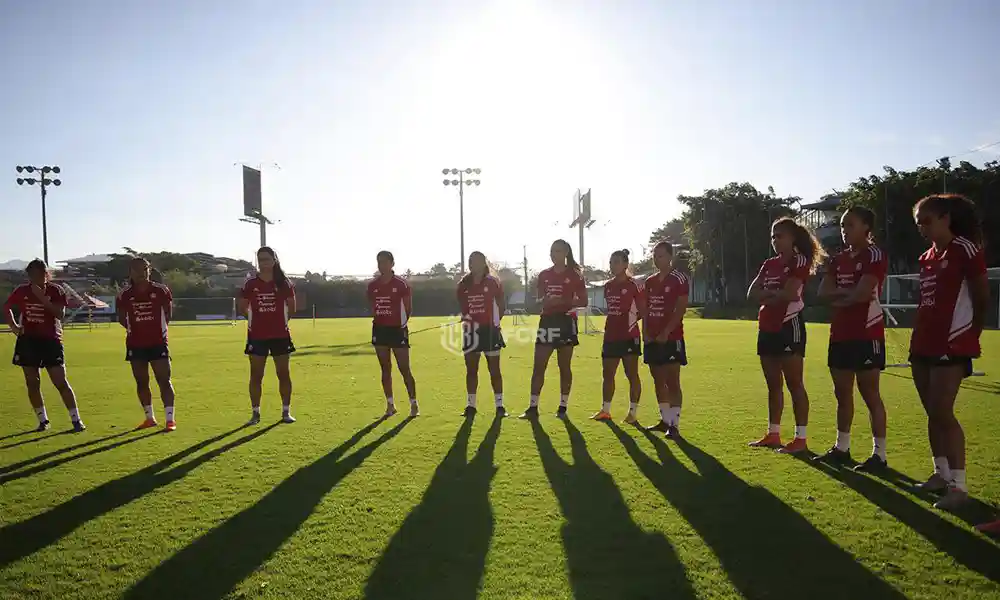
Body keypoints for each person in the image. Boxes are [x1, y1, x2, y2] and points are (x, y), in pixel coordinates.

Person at [908, 194, 989, 510]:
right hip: (923, 342)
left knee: (943, 411)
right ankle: (939, 474)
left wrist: (972, 333)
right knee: (932, 412)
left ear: (945, 218)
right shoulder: (926, 257)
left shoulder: (965, 250)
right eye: (918, 224)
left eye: (927, 221)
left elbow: (982, 297)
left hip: (951, 342)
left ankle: (959, 486)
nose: (922, 228)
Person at [815, 206, 889, 471]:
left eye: (851, 225)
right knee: (842, 395)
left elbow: (863, 293)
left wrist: (845, 295)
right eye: (843, 226)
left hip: (867, 333)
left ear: (866, 227)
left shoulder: (874, 254)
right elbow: (823, 292)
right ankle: (842, 448)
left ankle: (879, 455)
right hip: (840, 334)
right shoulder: (837, 259)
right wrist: (850, 295)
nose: (845, 230)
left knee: (870, 394)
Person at [747, 217, 825, 454]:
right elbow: (751, 294)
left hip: (789, 325)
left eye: (779, 236)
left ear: (792, 238)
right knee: (773, 385)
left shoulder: (799, 260)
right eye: (772, 236)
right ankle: (773, 433)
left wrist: (768, 295)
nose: (775, 241)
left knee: (794, 383)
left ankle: (800, 438)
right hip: (767, 327)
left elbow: (791, 293)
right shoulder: (769, 264)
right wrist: (775, 293)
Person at [2, 259, 85, 432]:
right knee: (32, 382)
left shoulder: (56, 290)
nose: (37, 278)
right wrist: (14, 327)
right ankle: (43, 420)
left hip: (50, 341)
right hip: (28, 341)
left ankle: (76, 420)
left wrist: (42, 298)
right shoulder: (22, 291)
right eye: (32, 275)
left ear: (47, 274)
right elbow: (7, 307)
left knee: (60, 382)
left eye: (41, 274)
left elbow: (59, 315)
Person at [520, 239, 588, 419]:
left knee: (564, 367)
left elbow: (583, 301)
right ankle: (533, 407)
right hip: (548, 321)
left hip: (566, 322)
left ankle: (562, 407)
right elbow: (538, 300)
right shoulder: (544, 275)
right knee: (538, 366)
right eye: (551, 251)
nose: (553, 254)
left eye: (557, 251)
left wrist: (563, 302)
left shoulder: (575, 275)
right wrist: (543, 301)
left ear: (565, 253)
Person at [117, 257, 177, 431]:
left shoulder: (161, 290)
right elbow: (122, 318)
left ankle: (170, 420)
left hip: (158, 342)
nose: (141, 273)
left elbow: (168, 314)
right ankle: (149, 418)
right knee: (141, 382)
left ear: (149, 270)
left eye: (144, 269)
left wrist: (155, 329)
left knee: (164, 380)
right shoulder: (125, 295)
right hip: (136, 344)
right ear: (130, 272)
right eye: (136, 270)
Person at [239, 246, 297, 425]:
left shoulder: (284, 283)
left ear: (274, 260)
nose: (264, 263)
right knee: (256, 375)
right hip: (257, 336)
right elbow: (242, 308)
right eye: (261, 259)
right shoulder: (250, 284)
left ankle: (286, 412)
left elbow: (292, 308)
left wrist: (277, 322)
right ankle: (255, 413)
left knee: (283, 374)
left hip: (280, 335)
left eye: (267, 259)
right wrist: (257, 323)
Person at [640, 242, 690, 438]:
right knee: (657, 380)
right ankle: (664, 420)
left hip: (671, 338)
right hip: (652, 338)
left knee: (672, 381)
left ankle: (674, 425)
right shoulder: (650, 281)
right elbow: (645, 310)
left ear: (670, 256)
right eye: (654, 255)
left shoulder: (679, 279)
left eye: (660, 255)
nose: (656, 259)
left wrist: (666, 332)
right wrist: (645, 332)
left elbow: (681, 309)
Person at [591, 249, 645, 425]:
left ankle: (633, 413)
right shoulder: (608, 286)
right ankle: (605, 411)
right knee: (608, 374)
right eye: (611, 262)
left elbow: (642, 311)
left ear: (625, 264)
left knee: (631, 374)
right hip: (611, 336)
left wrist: (628, 321)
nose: (612, 265)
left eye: (616, 262)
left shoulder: (634, 285)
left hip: (629, 336)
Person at [367, 250, 419, 418]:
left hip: (398, 330)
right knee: (385, 368)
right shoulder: (372, 286)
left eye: (384, 262)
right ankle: (390, 405)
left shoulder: (401, 284)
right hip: (380, 330)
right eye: (379, 262)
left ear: (392, 263)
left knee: (404, 368)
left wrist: (401, 325)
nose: (382, 265)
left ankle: (413, 404)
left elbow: (408, 308)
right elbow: (373, 307)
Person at [457, 251, 507, 418]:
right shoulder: (463, 284)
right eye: (470, 261)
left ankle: (500, 405)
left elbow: (501, 306)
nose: (472, 263)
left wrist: (494, 323)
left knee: (494, 370)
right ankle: (471, 405)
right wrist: (465, 317)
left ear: (483, 263)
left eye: (476, 261)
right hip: (470, 332)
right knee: (471, 370)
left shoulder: (493, 282)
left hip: (490, 331)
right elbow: (464, 308)